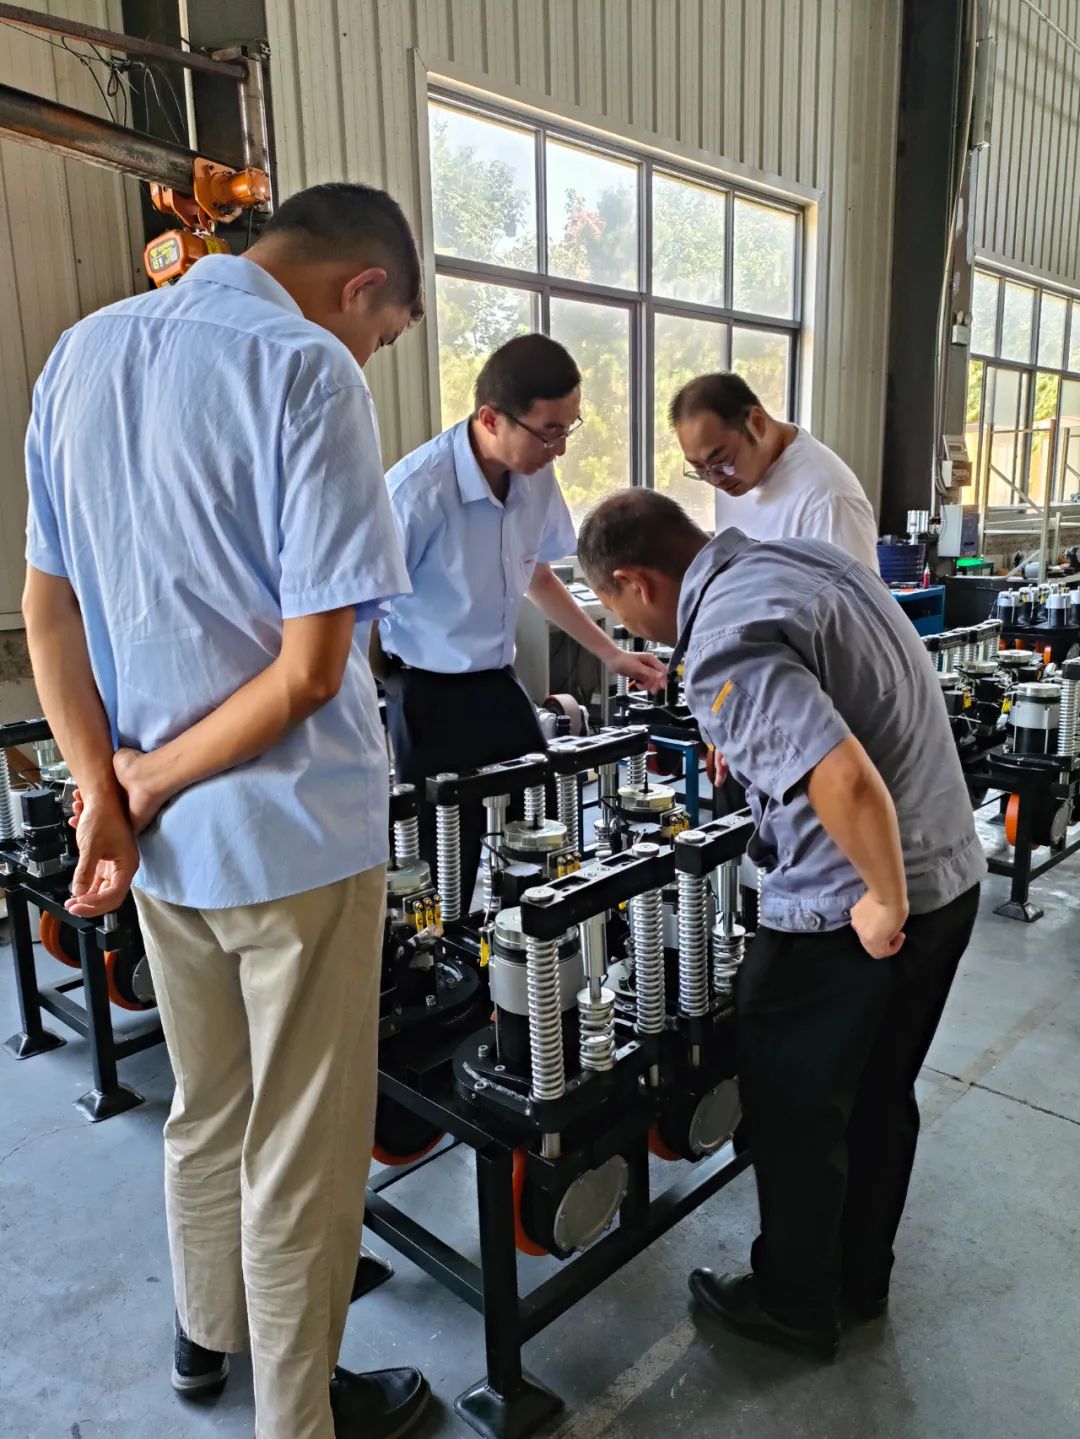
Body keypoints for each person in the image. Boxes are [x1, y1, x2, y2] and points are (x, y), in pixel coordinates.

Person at [23, 184, 431, 1439]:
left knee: (207, 1106)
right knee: (302, 1145)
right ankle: (298, 1418)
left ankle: (208, 1340)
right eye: (384, 334)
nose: (371, 354)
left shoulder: (80, 353)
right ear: (361, 287)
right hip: (292, 836)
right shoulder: (306, 369)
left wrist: (107, 788)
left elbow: (49, 610)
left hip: (163, 849)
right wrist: (140, 781)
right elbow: (310, 672)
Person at [575, 489, 985, 1361]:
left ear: (634, 581)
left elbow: (845, 780)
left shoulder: (720, 637)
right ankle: (858, 1281)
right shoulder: (801, 561)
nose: (632, 629)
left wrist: (882, 899)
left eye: (617, 611)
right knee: (879, 1094)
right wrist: (754, 744)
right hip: (950, 870)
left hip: (860, 904)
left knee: (795, 1103)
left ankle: (795, 1302)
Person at [377, 333, 665, 902]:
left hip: (498, 684)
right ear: (491, 418)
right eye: (549, 431)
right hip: (425, 695)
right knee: (442, 859)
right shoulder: (415, 493)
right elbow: (363, 606)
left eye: (568, 428)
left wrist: (612, 654)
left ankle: (533, 942)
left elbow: (536, 574)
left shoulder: (533, 473)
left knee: (542, 827)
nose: (560, 448)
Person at [671, 371, 880, 570]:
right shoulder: (731, 478)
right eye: (700, 469)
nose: (715, 480)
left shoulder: (829, 500)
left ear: (757, 423)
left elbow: (859, 595)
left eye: (721, 462)